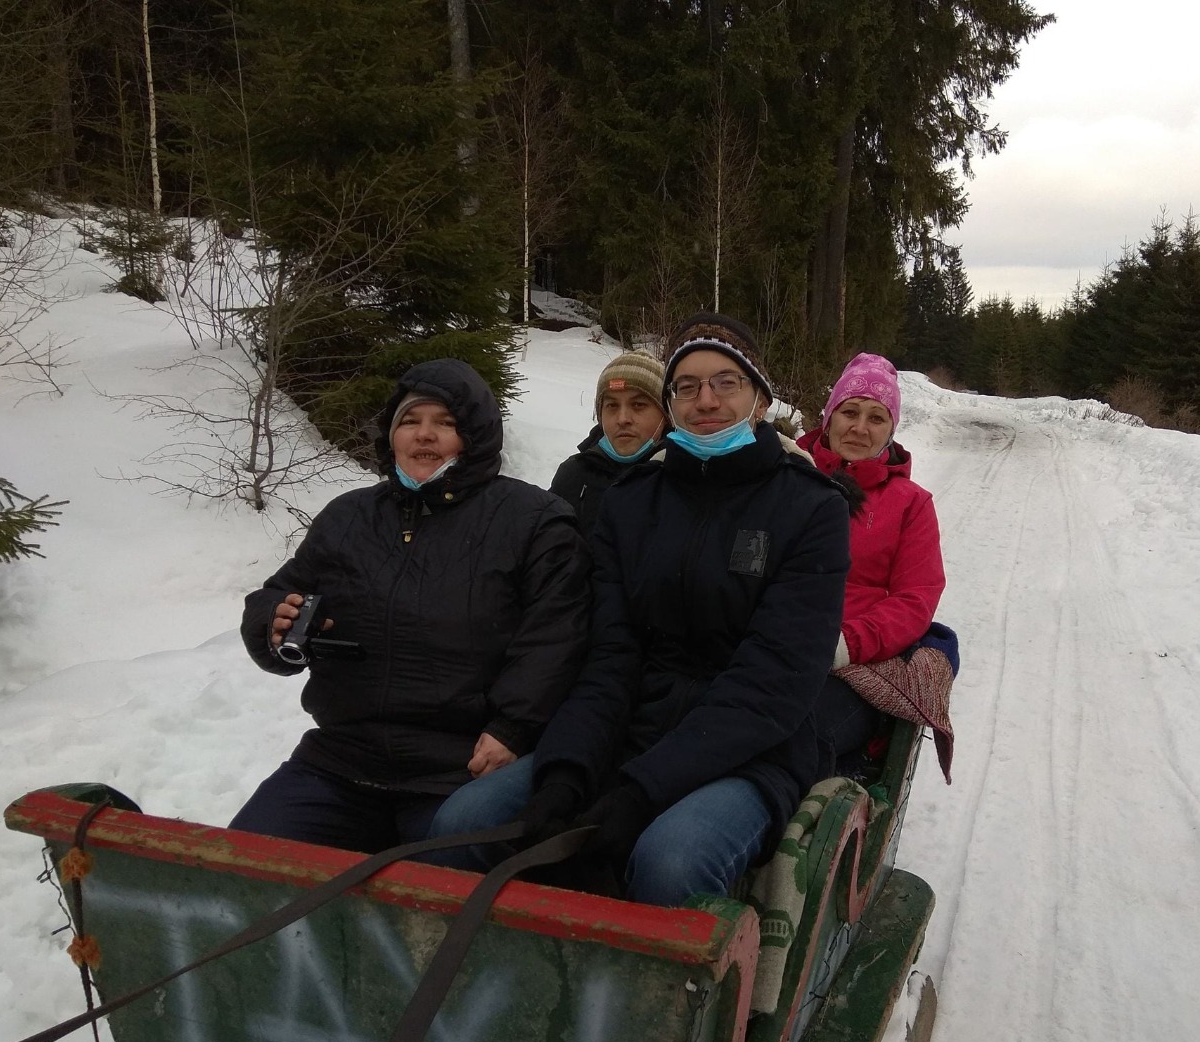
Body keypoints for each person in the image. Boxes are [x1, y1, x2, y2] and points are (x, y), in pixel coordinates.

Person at [429, 313, 851, 906]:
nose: (707, 400)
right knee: (464, 821)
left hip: (750, 750)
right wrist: (566, 772)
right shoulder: (631, 503)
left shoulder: (810, 508)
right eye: (687, 386)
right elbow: (609, 653)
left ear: (759, 398)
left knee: (670, 863)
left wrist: (641, 792)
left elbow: (775, 679)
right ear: (672, 404)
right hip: (629, 731)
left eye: (726, 382)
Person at [230, 358, 591, 856]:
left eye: (446, 422)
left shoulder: (533, 520)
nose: (424, 435)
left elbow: (556, 637)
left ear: (476, 435)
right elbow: (276, 594)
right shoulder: (349, 517)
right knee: (241, 864)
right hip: (342, 761)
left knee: (434, 893)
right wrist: (273, 622)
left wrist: (514, 727)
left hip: (462, 769)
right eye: (410, 421)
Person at [797, 352, 946, 762]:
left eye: (877, 418)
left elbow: (915, 598)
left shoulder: (911, 504)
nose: (860, 428)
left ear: (891, 431)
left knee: (798, 735)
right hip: (772, 643)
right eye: (850, 412)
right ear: (829, 417)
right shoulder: (788, 477)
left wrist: (844, 644)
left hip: (854, 667)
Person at [549, 349, 667, 537]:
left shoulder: (684, 478)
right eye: (612, 405)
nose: (622, 419)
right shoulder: (573, 474)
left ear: (665, 415)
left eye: (638, 405)